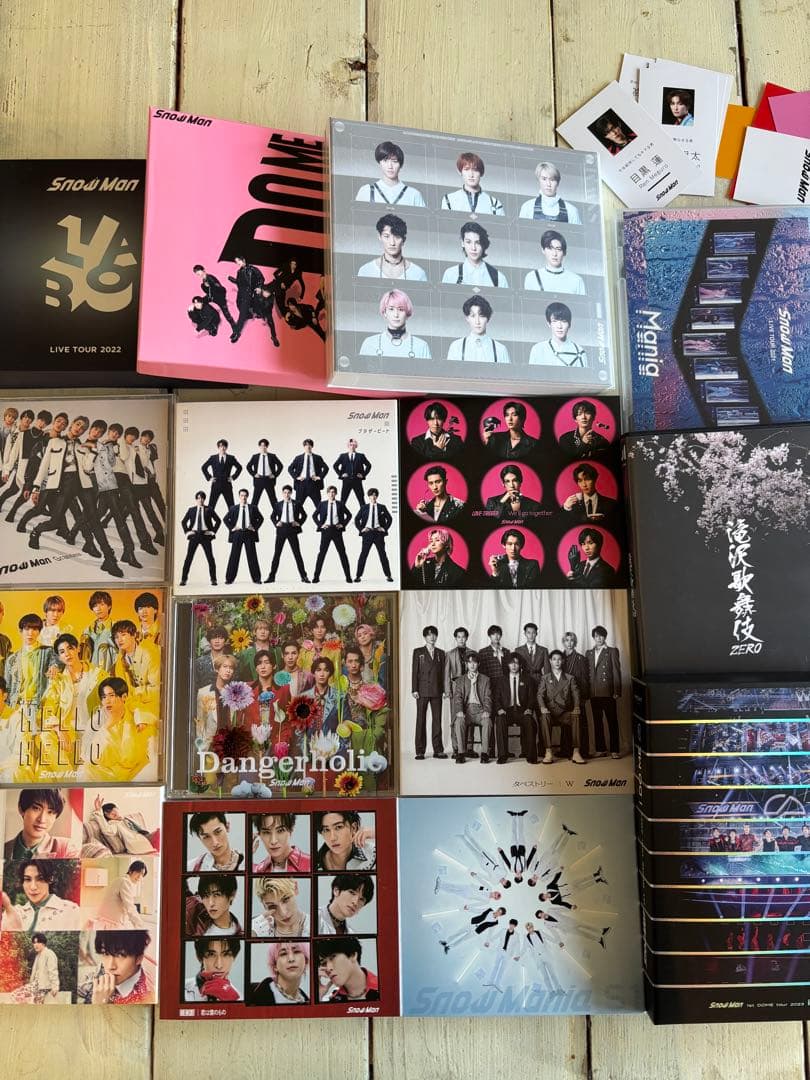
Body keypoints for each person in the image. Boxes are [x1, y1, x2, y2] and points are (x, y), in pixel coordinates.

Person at [85, 676, 153, 783]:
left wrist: (140, 717)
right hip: (105, 776)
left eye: (111, 696)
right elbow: (90, 757)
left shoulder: (136, 714)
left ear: (124, 697)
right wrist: (107, 727)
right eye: (103, 697)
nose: (107, 701)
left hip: (135, 773)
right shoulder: (96, 721)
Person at [1, 858, 80, 931]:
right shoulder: (14, 913)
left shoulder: (70, 911)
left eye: (40, 879)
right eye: (27, 879)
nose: (33, 887)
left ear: (50, 879)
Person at [79, 930, 154, 1004]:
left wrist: (100, 1004)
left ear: (139, 958)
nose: (111, 966)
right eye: (105, 953)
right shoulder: (90, 982)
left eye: (120, 955)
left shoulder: (150, 992)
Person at [537, 650, 585, 765]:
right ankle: (548, 751)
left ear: (562, 661)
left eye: (559, 659)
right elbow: (540, 695)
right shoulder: (545, 678)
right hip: (550, 713)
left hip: (564, 713)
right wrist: (543, 707)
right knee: (544, 717)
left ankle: (576, 752)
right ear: (550, 661)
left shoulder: (570, 678)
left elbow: (576, 694)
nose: (557, 662)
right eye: (554, 659)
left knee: (576, 716)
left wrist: (576, 707)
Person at [3, 788, 79, 860]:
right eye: (36, 808)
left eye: (50, 812)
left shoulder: (66, 849)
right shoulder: (4, 849)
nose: (42, 820)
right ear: (21, 809)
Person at [359, 289, 431, 359]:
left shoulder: (421, 346)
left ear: (407, 313)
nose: (396, 315)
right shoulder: (369, 344)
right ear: (385, 313)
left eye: (401, 309)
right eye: (391, 309)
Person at [494, 654, 538, 764]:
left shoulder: (528, 680)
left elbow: (532, 698)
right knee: (500, 720)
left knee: (530, 721)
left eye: (516, 663)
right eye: (511, 663)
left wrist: (529, 708)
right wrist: (499, 709)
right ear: (508, 665)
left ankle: (530, 755)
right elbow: (496, 698)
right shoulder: (501, 680)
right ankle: (502, 755)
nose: (514, 666)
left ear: (520, 665)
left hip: (521, 710)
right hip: (506, 711)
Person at [357, 213, 428, 280]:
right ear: (380, 237)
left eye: (397, 237)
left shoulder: (418, 273)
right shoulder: (365, 271)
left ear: (404, 240)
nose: (392, 243)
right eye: (386, 236)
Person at [355, 140, 426, 206]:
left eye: (394, 161)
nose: (390, 166)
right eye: (385, 161)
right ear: (379, 163)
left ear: (401, 165)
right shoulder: (366, 191)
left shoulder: (414, 195)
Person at [587, 626, 622, 759]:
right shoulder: (589, 653)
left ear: (605, 637)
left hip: (608, 692)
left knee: (612, 721)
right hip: (594, 693)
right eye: (596, 636)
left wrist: (617, 690)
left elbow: (616, 672)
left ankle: (614, 750)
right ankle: (600, 749)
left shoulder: (612, 651)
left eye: (601, 636)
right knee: (597, 722)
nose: (599, 638)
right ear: (593, 637)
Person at [411, 625, 446, 761]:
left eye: (434, 634)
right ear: (425, 637)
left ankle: (438, 750)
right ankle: (420, 751)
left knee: (437, 720)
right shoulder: (418, 652)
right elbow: (415, 671)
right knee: (421, 720)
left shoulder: (441, 653)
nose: (432, 637)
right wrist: (414, 689)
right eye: (429, 635)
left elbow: (443, 674)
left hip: (437, 690)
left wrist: (444, 690)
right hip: (422, 690)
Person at [452, 652, 493, 765]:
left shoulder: (485, 679)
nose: (472, 665)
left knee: (487, 721)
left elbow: (488, 697)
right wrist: (459, 711)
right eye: (469, 662)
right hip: (467, 711)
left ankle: (484, 753)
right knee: (458, 721)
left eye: (474, 662)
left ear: (478, 664)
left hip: (480, 711)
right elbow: (458, 698)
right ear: (466, 664)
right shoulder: (460, 680)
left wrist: (487, 710)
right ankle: (461, 753)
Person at [441, 221, 508, 287]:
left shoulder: (500, 279)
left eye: (477, 242)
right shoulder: (450, 275)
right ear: (462, 243)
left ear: (483, 244)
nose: (473, 248)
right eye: (468, 242)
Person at [447, 295, 510, 364]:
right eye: (473, 316)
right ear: (467, 318)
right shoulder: (456, 347)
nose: (477, 321)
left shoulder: (500, 350)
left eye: (481, 316)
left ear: (488, 318)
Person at [266, 485, 309, 584]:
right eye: (285, 492)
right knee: (277, 554)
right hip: (281, 530)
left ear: (291, 493)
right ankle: (271, 577)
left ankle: (304, 576)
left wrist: (298, 523)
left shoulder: (296, 503)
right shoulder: (278, 504)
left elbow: (304, 515)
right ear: (282, 493)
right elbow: (272, 516)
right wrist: (276, 523)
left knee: (297, 554)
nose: (286, 494)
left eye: (288, 492)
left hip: (292, 530)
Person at [89, 794, 158, 856]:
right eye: (108, 813)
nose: (112, 813)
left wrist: (123, 820)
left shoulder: (125, 819)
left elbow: (139, 828)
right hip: (137, 843)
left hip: (143, 837)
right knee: (159, 834)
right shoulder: (113, 823)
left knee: (159, 833)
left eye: (112, 809)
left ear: (117, 809)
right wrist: (99, 811)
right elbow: (107, 830)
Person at [317, 936, 379, 1001]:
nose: (328, 968)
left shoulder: (384, 987)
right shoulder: (330, 999)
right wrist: (318, 996)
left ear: (353, 955)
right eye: (324, 963)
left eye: (333, 958)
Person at [312, 486, 353, 584]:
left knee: (342, 553)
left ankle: (348, 577)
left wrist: (342, 524)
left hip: (337, 531)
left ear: (336, 493)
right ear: (327, 493)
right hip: (326, 531)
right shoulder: (322, 504)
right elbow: (314, 515)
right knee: (321, 554)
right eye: (330, 492)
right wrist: (321, 525)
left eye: (333, 492)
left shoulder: (340, 504)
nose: (331, 494)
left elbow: (349, 515)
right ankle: (316, 577)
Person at [179, 490, 220, 586]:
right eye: (198, 498)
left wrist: (212, 531)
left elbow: (218, 521)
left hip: (205, 536)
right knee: (188, 558)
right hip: (194, 536)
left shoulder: (209, 509)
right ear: (196, 499)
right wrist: (188, 532)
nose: (200, 500)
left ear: (204, 499)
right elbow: (183, 522)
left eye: (202, 498)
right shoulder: (191, 510)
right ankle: (183, 579)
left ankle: (213, 579)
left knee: (210, 558)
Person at [223, 488, 263, 585]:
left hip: (249, 533)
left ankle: (256, 579)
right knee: (234, 556)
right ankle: (229, 579)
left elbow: (261, 519)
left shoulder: (253, 508)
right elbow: (225, 519)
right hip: (237, 534)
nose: (243, 497)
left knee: (252, 556)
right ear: (239, 496)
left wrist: (254, 528)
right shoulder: (233, 508)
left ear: (247, 496)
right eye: (242, 495)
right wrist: (232, 528)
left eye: (245, 496)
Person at [529, 302, 587, 367]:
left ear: (569, 324)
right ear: (549, 324)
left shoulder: (579, 351)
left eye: (564, 321)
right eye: (555, 321)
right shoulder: (538, 349)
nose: (559, 326)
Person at [94, 860, 148, 929]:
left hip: (105, 922)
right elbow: (130, 907)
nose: (139, 877)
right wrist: (141, 926)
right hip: (112, 924)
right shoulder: (125, 882)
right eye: (138, 872)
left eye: (142, 875)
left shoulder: (119, 880)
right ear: (130, 871)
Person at [354, 489, 394, 582]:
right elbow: (356, 519)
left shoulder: (382, 507)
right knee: (363, 555)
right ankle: (358, 576)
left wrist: (384, 529)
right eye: (372, 495)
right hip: (367, 534)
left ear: (377, 496)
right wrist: (361, 529)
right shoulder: (364, 507)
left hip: (378, 534)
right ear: (369, 496)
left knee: (382, 555)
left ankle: (388, 575)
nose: (373, 497)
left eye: (375, 495)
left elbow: (389, 519)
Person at [185, 938, 241, 1003]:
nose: (219, 965)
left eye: (226, 954)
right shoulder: (181, 990)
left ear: (234, 958)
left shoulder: (239, 997)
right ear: (200, 958)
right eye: (211, 954)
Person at [228, 255, 264, 343]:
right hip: (241, 292)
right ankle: (249, 314)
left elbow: (261, 278)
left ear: (243, 260)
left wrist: (259, 287)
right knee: (238, 304)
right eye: (236, 262)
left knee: (242, 313)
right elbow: (239, 282)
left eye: (239, 261)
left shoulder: (252, 269)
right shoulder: (239, 271)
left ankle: (236, 332)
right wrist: (233, 280)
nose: (238, 263)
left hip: (248, 292)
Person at [201, 439, 242, 515]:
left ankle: (234, 522)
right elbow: (204, 467)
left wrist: (233, 477)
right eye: (220, 446)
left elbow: (239, 468)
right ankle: (207, 521)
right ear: (218, 447)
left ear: (226, 447)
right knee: (211, 506)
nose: (222, 448)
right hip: (216, 484)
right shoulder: (213, 458)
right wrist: (209, 477)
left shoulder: (231, 458)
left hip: (227, 485)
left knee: (231, 506)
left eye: (224, 446)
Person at [288, 438, 329, 511]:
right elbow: (290, 468)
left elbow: (326, 468)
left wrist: (319, 477)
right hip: (301, 484)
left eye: (310, 445)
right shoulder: (298, 458)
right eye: (306, 445)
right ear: (304, 446)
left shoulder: (317, 457)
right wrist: (297, 477)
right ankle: (299, 519)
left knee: (319, 507)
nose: (308, 446)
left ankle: (321, 519)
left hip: (314, 484)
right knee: (297, 507)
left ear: (312, 446)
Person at [193, 264, 236, 329]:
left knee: (227, 315)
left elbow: (222, 289)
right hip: (212, 297)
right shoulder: (204, 281)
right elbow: (208, 292)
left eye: (198, 271)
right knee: (200, 302)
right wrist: (204, 286)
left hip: (219, 298)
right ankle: (210, 318)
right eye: (196, 273)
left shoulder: (210, 278)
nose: (198, 274)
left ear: (203, 270)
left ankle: (235, 328)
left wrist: (211, 285)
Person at [246, 438, 283, 512]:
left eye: (265, 446)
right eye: (261, 446)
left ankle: (278, 515)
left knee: (273, 500)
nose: (263, 447)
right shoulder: (255, 456)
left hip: (269, 480)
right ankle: (251, 516)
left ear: (267, 446)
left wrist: (275, 475)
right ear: (259, 446)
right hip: (258, 480)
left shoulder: (272, 456)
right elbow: (248, 466)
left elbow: (280, 466)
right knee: (255, 500)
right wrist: (254, 474)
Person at [334, 438, 371, 511]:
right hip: (346, 481)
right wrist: (341, 475)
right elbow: (335, 465)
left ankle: (364, 516)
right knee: (343, 501)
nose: (352, 446)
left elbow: (369, 465)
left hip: (357, 481)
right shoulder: (343, 456)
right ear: (348, 446)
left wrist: (363, 475)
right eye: (350, 445)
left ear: (356, 446)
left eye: (354, 445)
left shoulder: (361, 456)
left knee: (361, 500)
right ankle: (340, 517)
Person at [513, 623, 550, 688]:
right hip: (524, 680)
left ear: (536, 634)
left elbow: (547, 669)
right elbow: (516, 668)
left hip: (539, 681)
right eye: (528, 633)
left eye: (533, 633)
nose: (531, 635)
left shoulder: (543, 650)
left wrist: (546, 683)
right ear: (525, 634)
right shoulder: (518, 650)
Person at [28, 932, 60, 1003]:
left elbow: (53, 971)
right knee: (16, 996)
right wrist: (31, 984)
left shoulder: (49, 953)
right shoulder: (38, 955)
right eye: (34, 943)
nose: (35, 945)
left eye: (38, 942)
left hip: (43, 987)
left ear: (43, 943)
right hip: (35, 986)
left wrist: (55, 986)